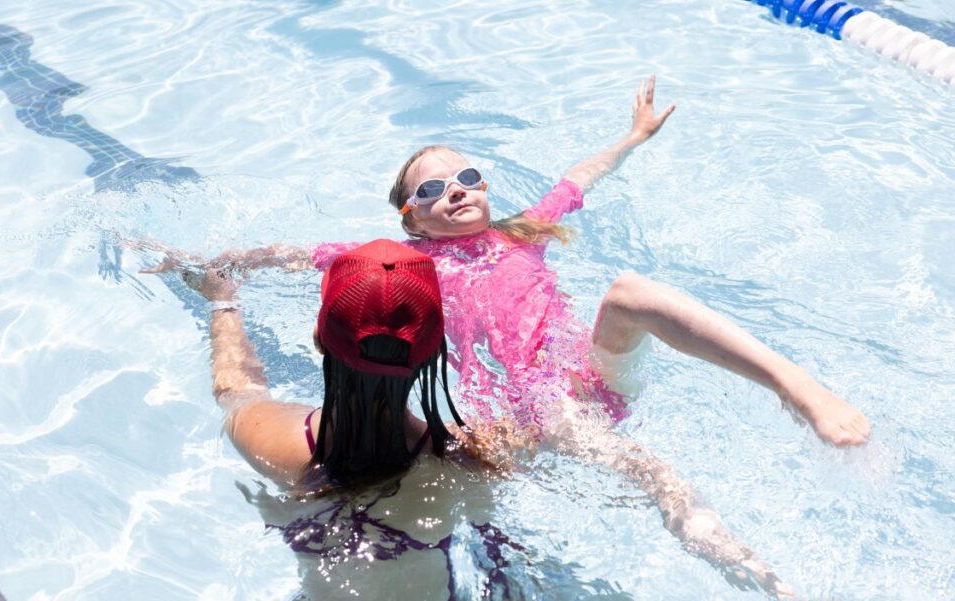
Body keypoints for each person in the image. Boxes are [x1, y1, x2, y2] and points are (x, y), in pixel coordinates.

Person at [198, 76, 870, 448]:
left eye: (466, 176)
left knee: (632, 292)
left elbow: (581, 176)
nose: (454, 190)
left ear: (486, 189)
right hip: (512, 425)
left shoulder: (525, 230)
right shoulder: (400, 264)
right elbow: (301, 256)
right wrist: (215, 268)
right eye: (431, 189)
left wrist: (631, 138)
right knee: (661, 490)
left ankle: (796, 388)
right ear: (410, 216)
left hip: (584, 382)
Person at [141, 238, 795, 597]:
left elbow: (235, 385)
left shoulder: (273, 439)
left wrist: (225, 303)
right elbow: (621, 461)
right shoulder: (473, 452)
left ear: (322, 341)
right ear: (433, 353)